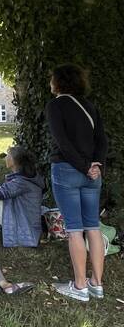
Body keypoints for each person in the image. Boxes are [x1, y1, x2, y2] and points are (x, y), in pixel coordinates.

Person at [46, 64, 108, 302]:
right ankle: (97, 284)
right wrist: (96, 165)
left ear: (59, 82)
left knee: (74, 229)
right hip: (93, 174)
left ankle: (80, 286)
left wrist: (83, 167)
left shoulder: (55, 106)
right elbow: (102, 141)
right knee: (93, 227)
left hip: (66, 171)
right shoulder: (90, 107)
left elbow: (62, 142)